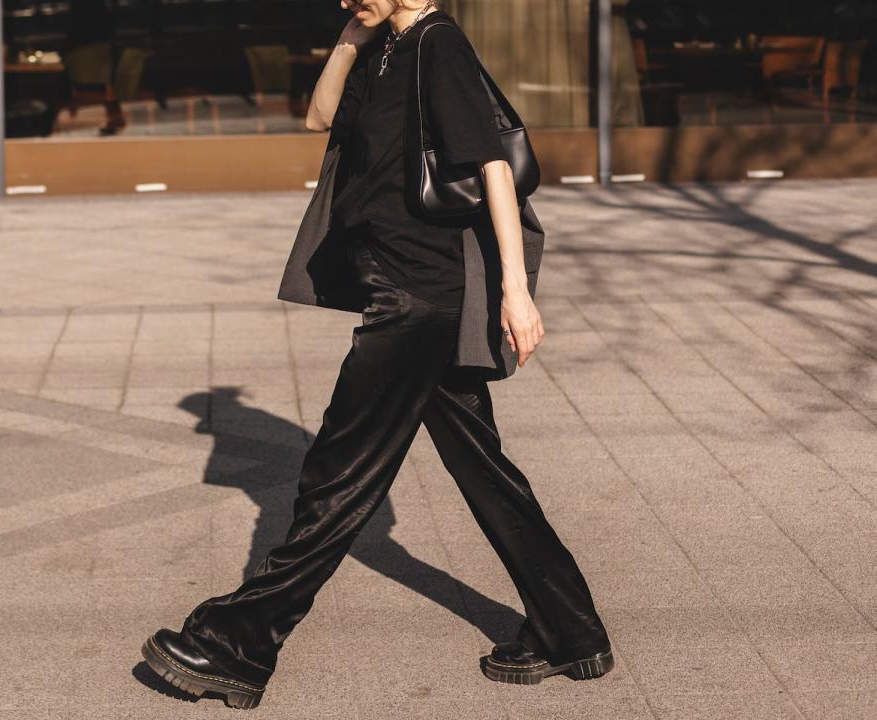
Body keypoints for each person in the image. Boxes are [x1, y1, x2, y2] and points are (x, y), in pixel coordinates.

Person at [141, 0, 612, 709]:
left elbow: (491, 165)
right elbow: (319, 117)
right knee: (484, 471)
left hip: (419, 295)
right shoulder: (388, 49)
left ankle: (238, 644)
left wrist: (516, 291)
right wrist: (350, 37)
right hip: (399, 284)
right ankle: (571, 632)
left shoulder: (438, 44)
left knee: (339, 473)